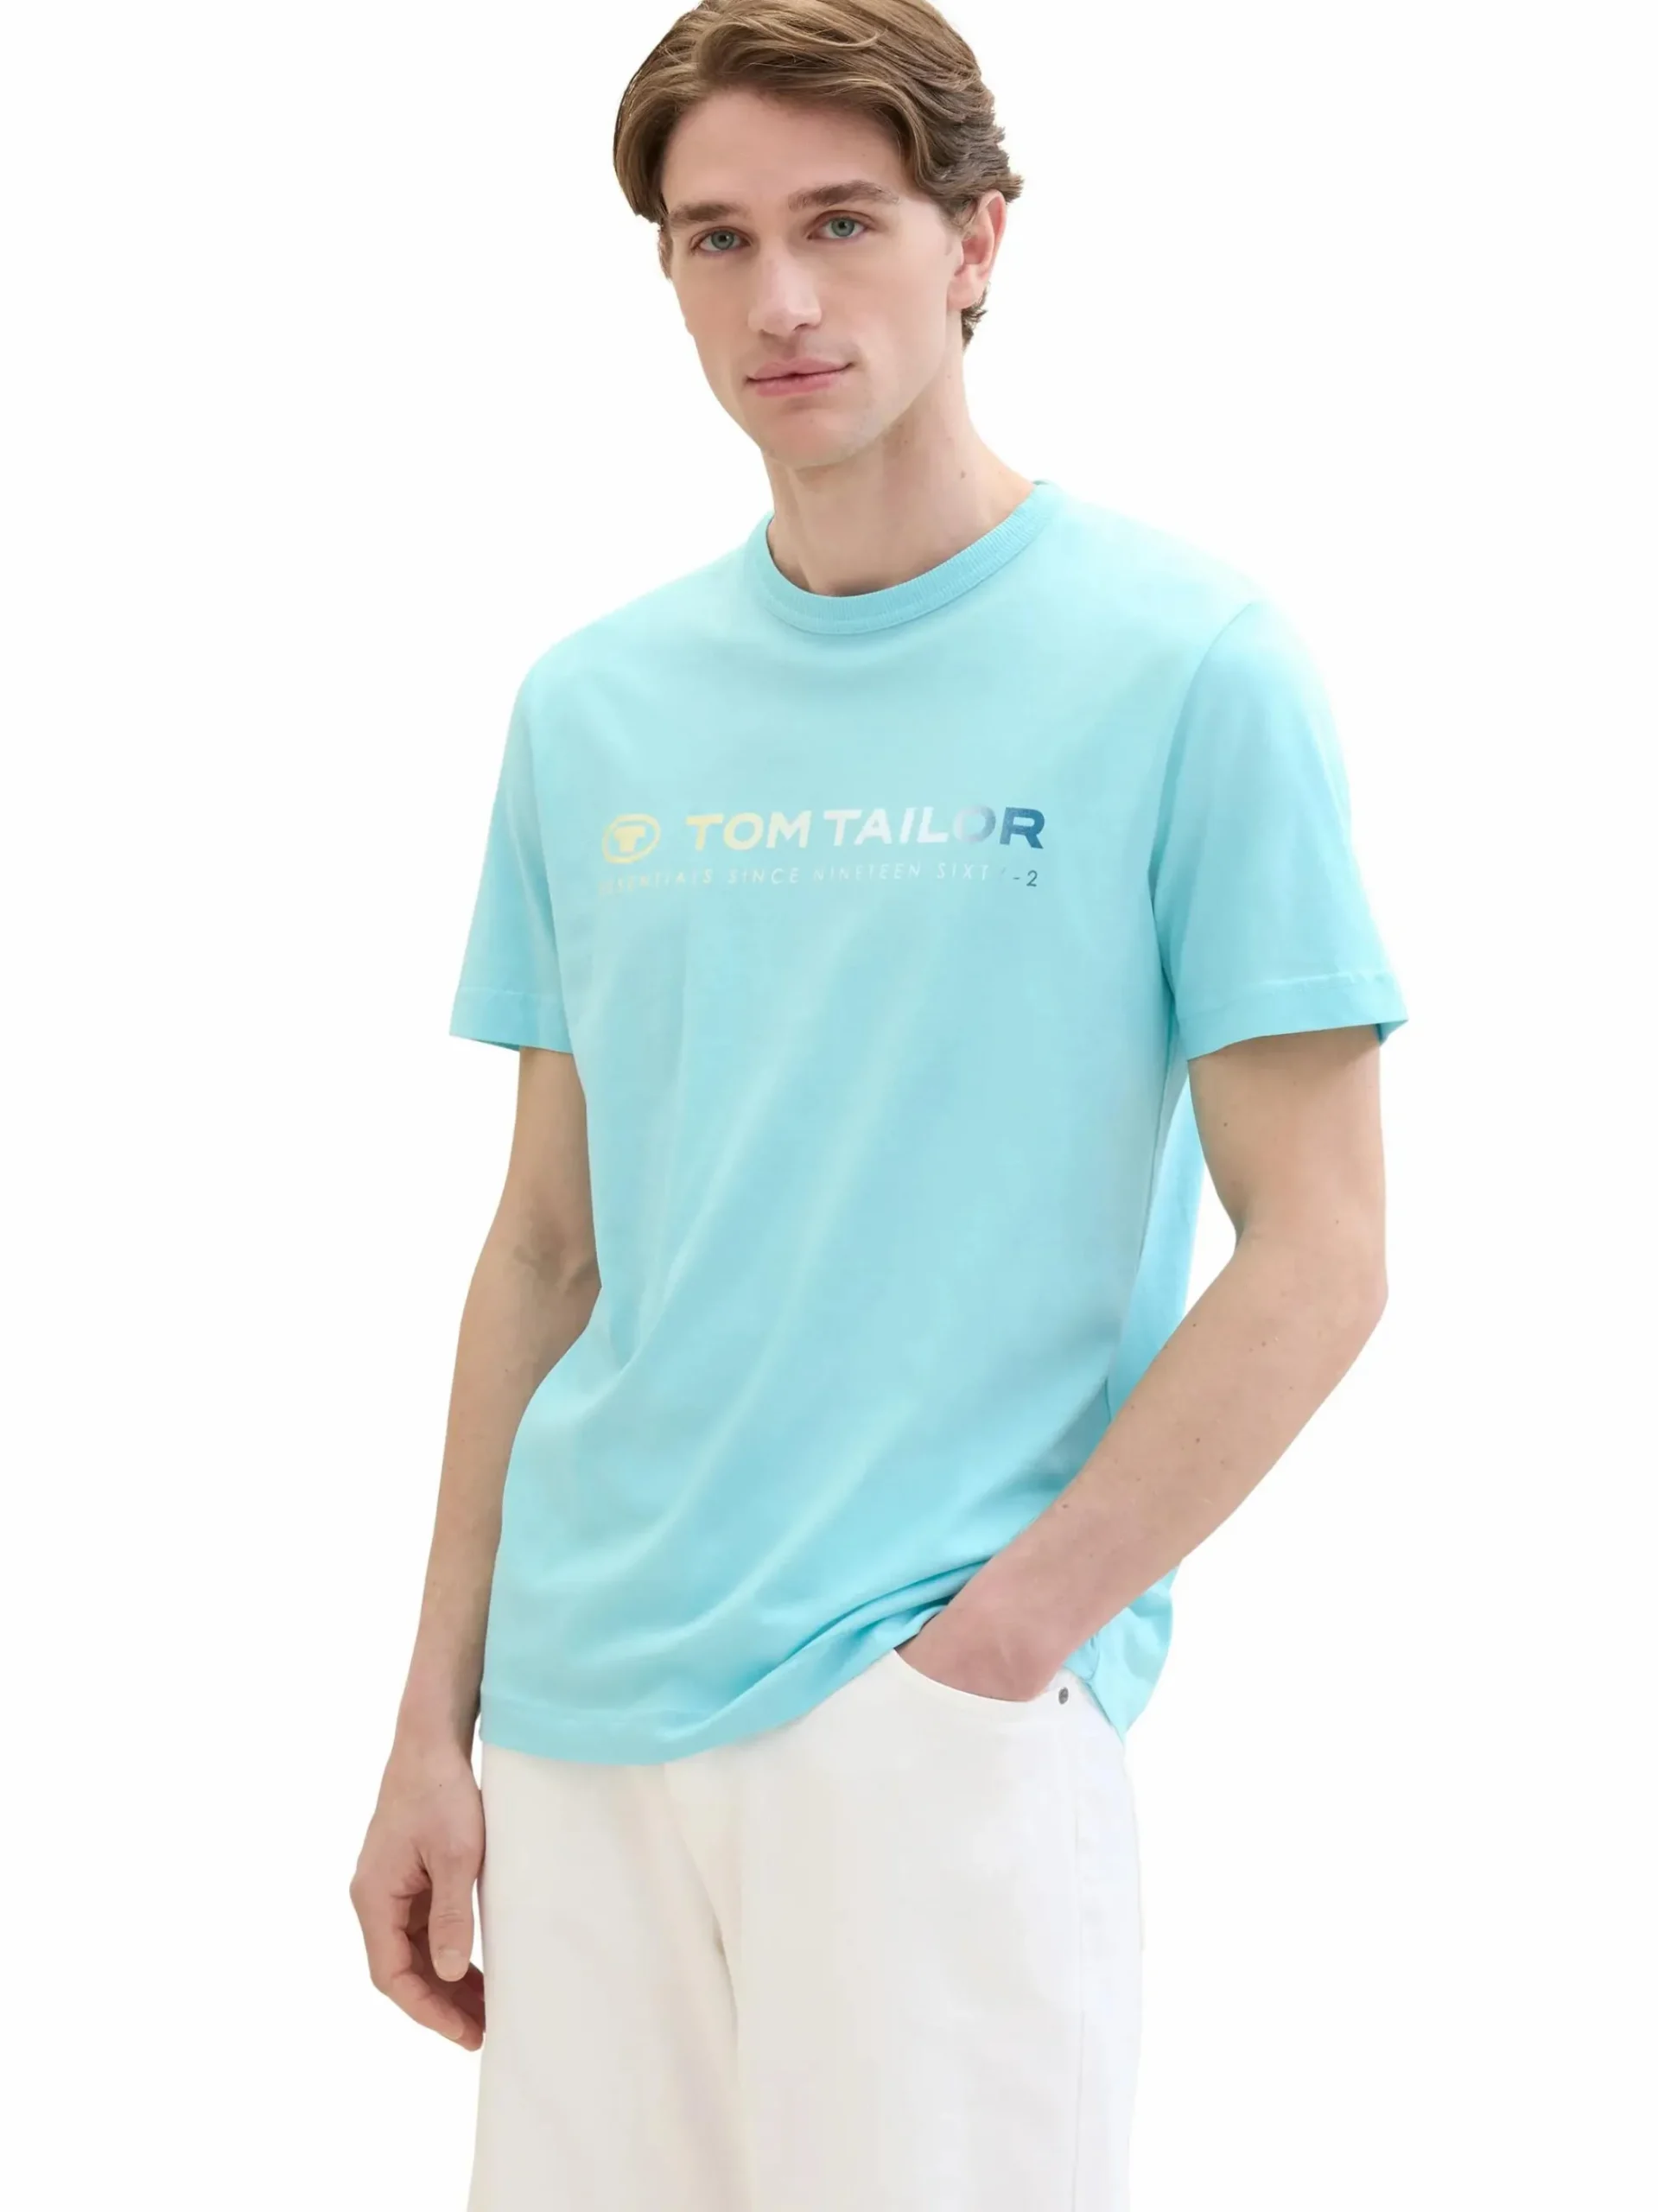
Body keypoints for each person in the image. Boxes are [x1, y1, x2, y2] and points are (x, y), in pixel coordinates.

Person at [349, 3, 1408, 2205]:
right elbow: (545, 1244)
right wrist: (432, 1720)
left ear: (976, 241)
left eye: (841, 222)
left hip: (921, 1715)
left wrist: (1000, 1644)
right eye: (716, 239)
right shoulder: (593, 706)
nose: (781, 300)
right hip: (579, 1710)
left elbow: (1318, 1247)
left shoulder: (1185, 664)